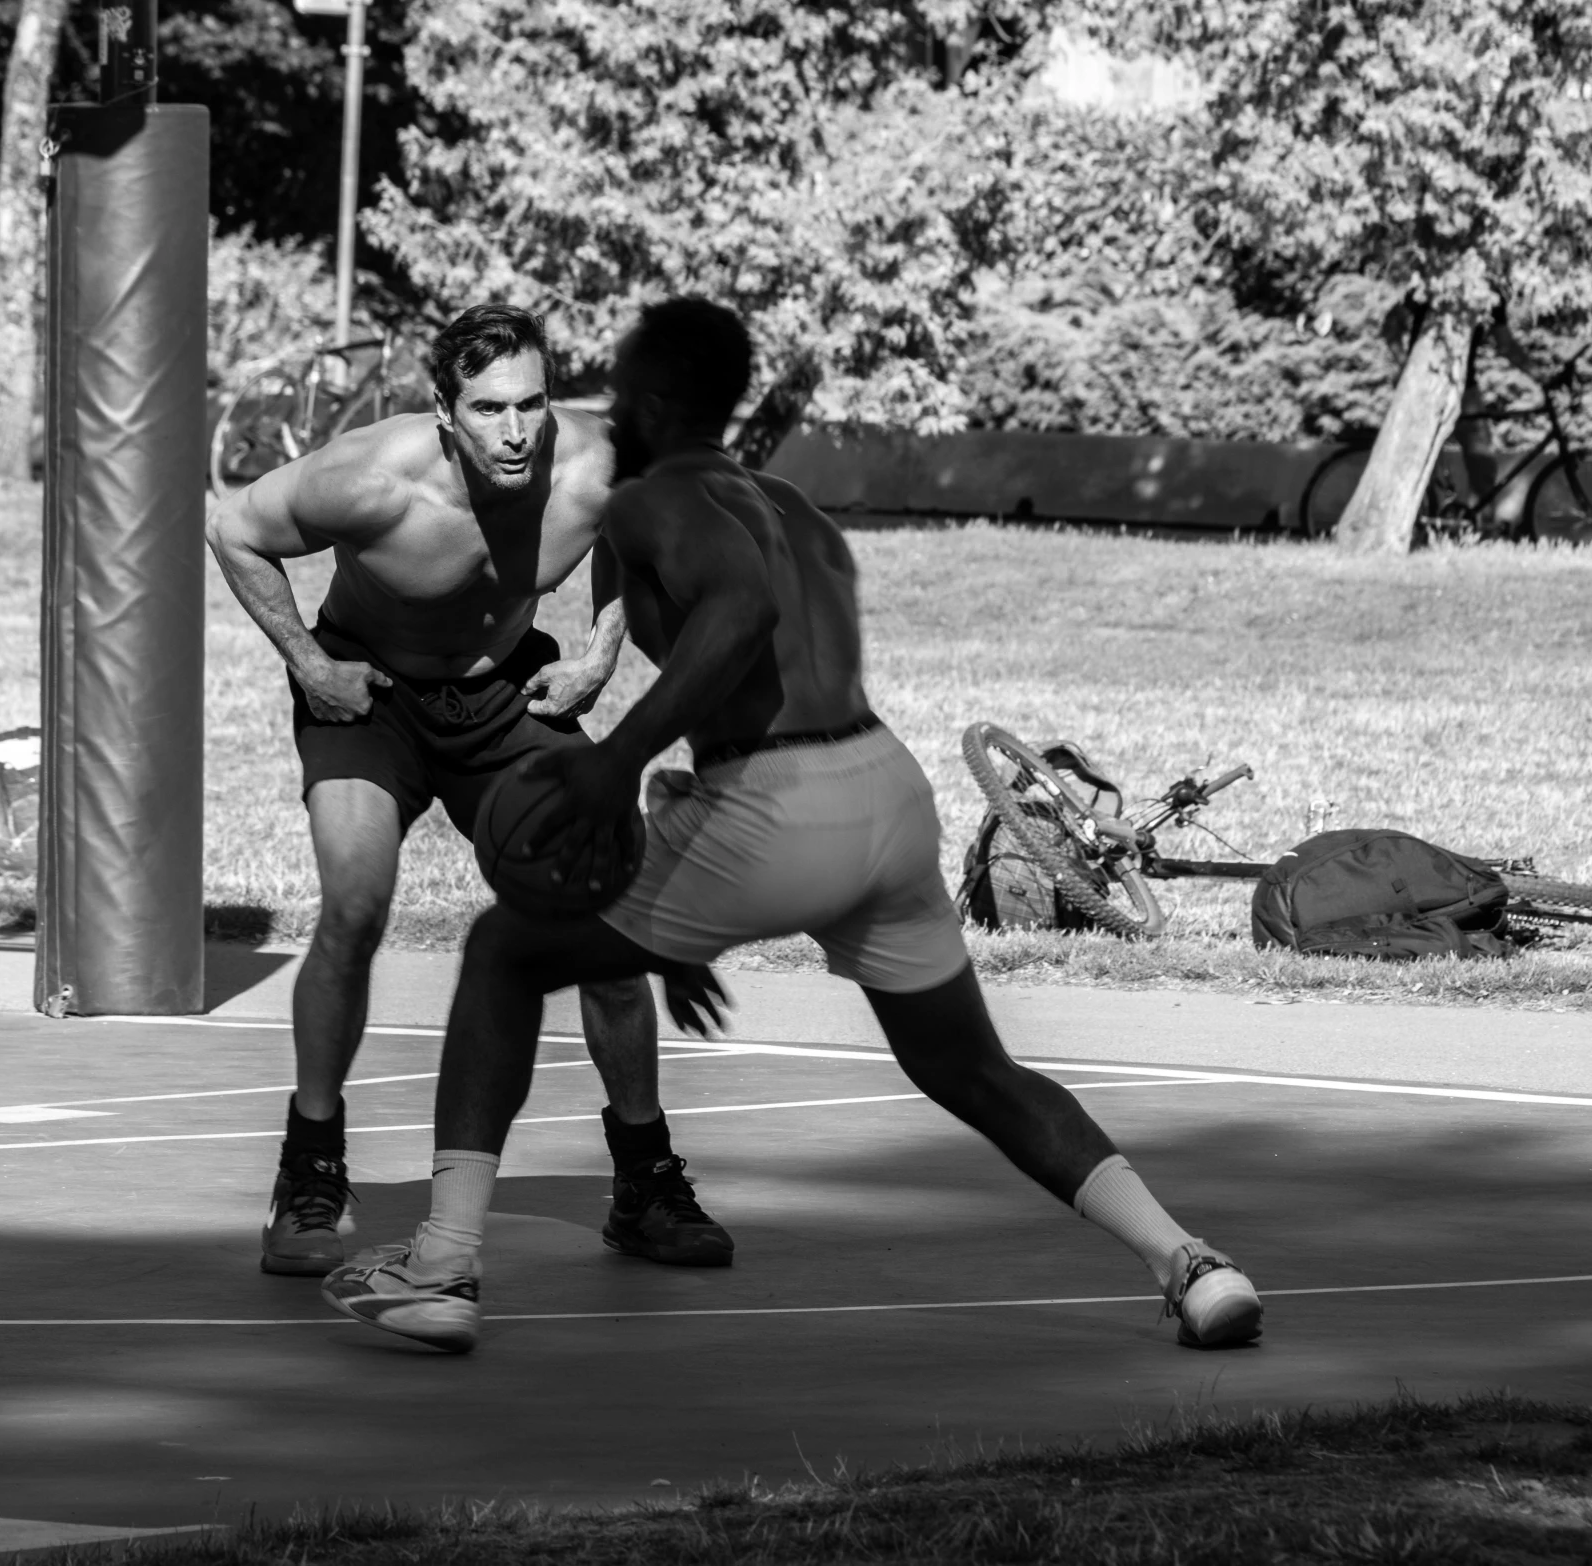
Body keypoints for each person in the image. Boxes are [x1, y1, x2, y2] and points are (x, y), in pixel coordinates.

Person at [320, 297, 1264, 1355]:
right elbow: (775, 649)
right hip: (883, 792)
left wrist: (616, 765)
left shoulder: (648, 504)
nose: (608, 403)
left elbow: (738, 619)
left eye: (623, 384)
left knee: (502, 952)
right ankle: (1187, 1261)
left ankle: (442, 1267)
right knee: (969, 1070)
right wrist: (674, 913)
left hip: (773, 806)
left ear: (661, 400)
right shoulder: (790, 506)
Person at [206, 304, 734, 1277]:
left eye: (531, 403)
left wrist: (599, 655)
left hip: (505, 691)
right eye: (488, 410)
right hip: (371, 691)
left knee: (602, 926)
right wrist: (311, 665)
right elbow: (232, 527)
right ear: (445, 414)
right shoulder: (366, 478)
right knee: (356, 904)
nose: (515, 430)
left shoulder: (596, 459)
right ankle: (311, 1165)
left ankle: (644, 1179)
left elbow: (639, 533)